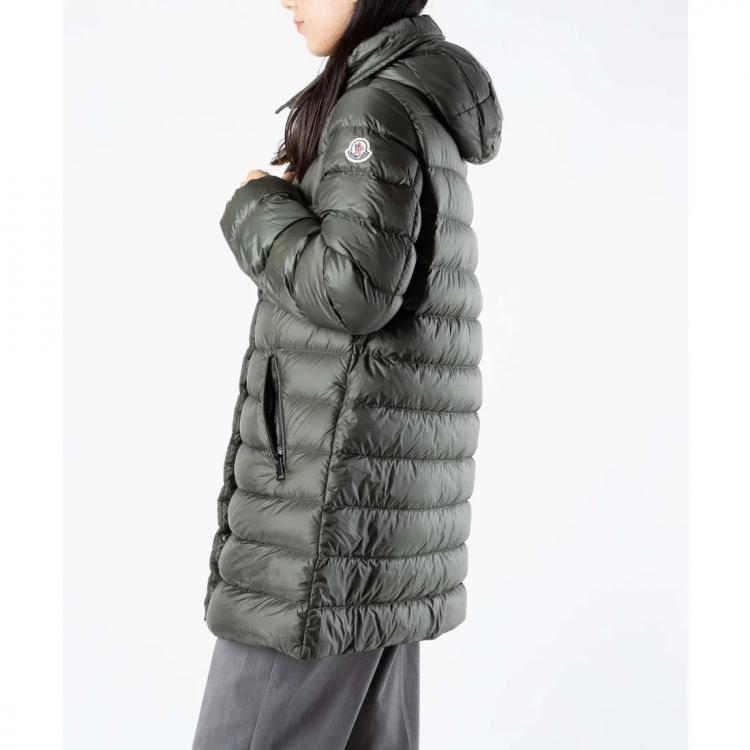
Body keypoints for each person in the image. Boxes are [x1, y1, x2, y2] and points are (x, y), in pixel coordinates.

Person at [192, 0, 502, 747]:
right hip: (375, 517)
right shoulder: (418, 101)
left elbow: (353, 289)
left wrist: (258, 207)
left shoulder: (374, 109)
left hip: (321, 526)